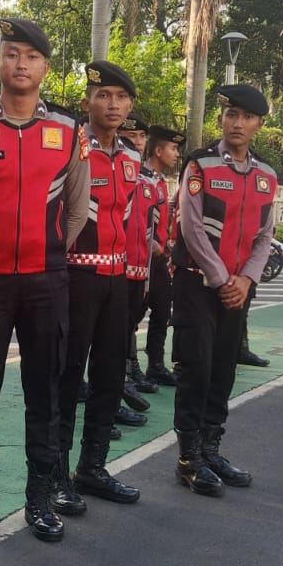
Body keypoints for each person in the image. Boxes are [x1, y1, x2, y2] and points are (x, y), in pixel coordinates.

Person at [0, 17, 89, 543]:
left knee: (47, 393)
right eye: (11, 54)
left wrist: (51, 249)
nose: (21, 65)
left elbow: (78, 208)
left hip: (45, 281)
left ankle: (39, 499)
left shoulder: (68, 130)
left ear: (45, 68)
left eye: (31, 57)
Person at [170, 83, 278, 495]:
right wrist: (221, 279)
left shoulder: (267, 175)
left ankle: (212, 449)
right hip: (197, 283)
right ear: (222, 119)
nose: (237, 123)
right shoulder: (199, 165)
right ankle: (188, 459)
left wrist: (247, 279)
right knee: (195, 368)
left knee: (224, 368)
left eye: (246, 117)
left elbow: (265, 236)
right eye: (231, 115)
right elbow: (191, 227)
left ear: (258, 125)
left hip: (238, 288)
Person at [53, 60, 143, 518]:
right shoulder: (72, 147)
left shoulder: (131, 156)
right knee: (68, 378)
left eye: (121, 97)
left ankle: (92, 467)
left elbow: (127, 219)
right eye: (103, 96)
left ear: (129, 106)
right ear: (87, 101)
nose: (112, 104)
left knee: (110, 375)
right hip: (76, 277)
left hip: (117, 280)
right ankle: (56, 474)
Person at [118, 116, 161, 397]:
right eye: (129, 135)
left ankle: (129, 368)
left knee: (130, 322)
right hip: (113, 266)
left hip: (139, 267)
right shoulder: (112, 168)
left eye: (141, 136)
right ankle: (119, 379)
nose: (136, 141)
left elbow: (150, 224)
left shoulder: (148, 181)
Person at [143, 125, 185, 386]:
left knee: (161, 309)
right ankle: (129, 368)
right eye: (173, 148)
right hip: (142, 257)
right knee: (132, 314)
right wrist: (149, 243)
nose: (176, 154)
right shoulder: (140, 178)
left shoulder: (159, 180)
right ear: (158, 151)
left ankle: (155, 364)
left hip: (158, 257)